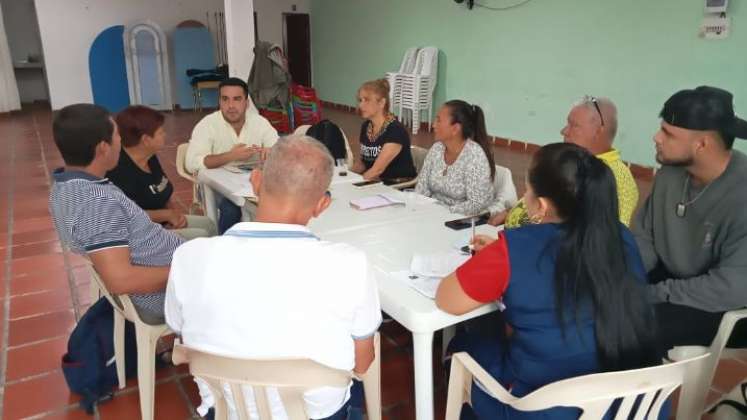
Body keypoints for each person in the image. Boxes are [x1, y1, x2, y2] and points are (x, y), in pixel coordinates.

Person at [436, 143, 660, 419]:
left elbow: (447, 299)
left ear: (541, 206)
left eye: (527, 190)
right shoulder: (621, 236)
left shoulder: (514, 249)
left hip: (541, 407)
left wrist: (495, 259)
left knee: (463, 346)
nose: (524, 196)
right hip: (630, 404)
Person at [166, 135, 382, 419]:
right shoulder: (350, 264)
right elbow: (362, 363)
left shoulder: (188, 257)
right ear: (322, 205)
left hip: (225, 412)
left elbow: (181, 330)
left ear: (255, 182)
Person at [633, 86, 747, 351]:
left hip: (725, 303)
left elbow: (730, 287)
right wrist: (623, 276)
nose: (656, 137)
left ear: (702, 144)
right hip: (675, 281)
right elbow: (644, 238)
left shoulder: (742, 194)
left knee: (629, 326)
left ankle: (642, 391)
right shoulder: (670, 174)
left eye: (668, 133)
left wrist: (651, 294)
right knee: (593, 299)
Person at [49, 104, 183, 324]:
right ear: (103, 147)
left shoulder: (64, 186)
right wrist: (186, 269)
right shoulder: (97, 203)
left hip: (161, 270)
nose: (122, 142)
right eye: (117, 136)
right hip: (160, 295)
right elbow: (121, 280)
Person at [491, 96, 639, 228]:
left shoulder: (615, 179)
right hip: (509, 239)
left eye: (574, 125)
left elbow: (603, 240)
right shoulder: (570, 162)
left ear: (599, 131)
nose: (564, 131)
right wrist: (512, 213)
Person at [106, 105, 216, 240]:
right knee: (201, 236)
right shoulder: (119, 171)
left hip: (162, 221)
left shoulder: (149, 155)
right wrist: (167, 216)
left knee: (209, 224)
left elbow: (162, 189)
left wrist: (174, 216)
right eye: (161, 132)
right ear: (146, 140)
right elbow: (127, 215)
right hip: (139, 233)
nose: (165, 134)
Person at [185, 77, 279, 233]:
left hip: (251, 184)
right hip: (216, 189)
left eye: (237, 99)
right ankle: (225, 250)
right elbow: (191, 162)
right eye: (225, 99)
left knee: (280, 200)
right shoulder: (207, 125)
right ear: (219, 102)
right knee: (232, 208)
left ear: (246, 103)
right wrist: (230, 156)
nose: (231, 106)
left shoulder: (259, 122)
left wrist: (272, 152)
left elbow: (279, 148)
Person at [415, 100, 496, 215]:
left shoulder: (474, 155)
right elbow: (421, 188)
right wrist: (418, 207)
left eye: (439, 120)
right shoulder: (437, 149)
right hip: (431, 214)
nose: (433, 125)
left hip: (459, 222)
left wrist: (443, 213)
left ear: (455, 129)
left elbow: (476, 203)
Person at [351, 79, 416, 182]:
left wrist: (351, 185)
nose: (361, 105)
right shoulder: (366, 126)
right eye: (360, 100)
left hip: (397, 187)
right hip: (376, 182)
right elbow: (363, 163)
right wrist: (347, 175)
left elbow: (377, 170)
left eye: (366, 100)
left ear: (382, 102)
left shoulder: (395, 130)